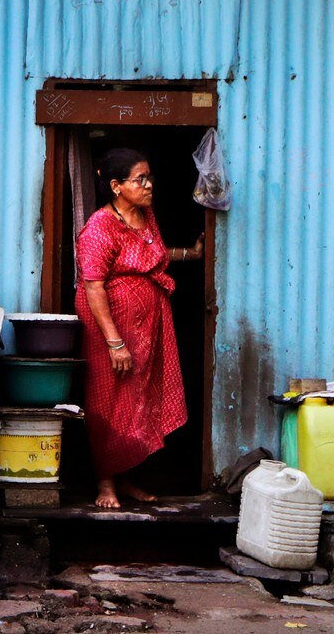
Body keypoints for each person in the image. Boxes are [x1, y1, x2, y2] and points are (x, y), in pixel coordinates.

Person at [74, 149, 202, 510]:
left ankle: (125, 477)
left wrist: (190, 255)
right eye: (140, 180)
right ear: (116, 186)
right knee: (108, 400)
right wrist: (115, 343)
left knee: (137, 399)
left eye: (149, 177)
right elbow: (93, 286)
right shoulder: (100, 227)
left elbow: (151, 256)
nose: (149, 185)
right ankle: (104, 482)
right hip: (110, 332)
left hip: (146, 330)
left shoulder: (145, 216)